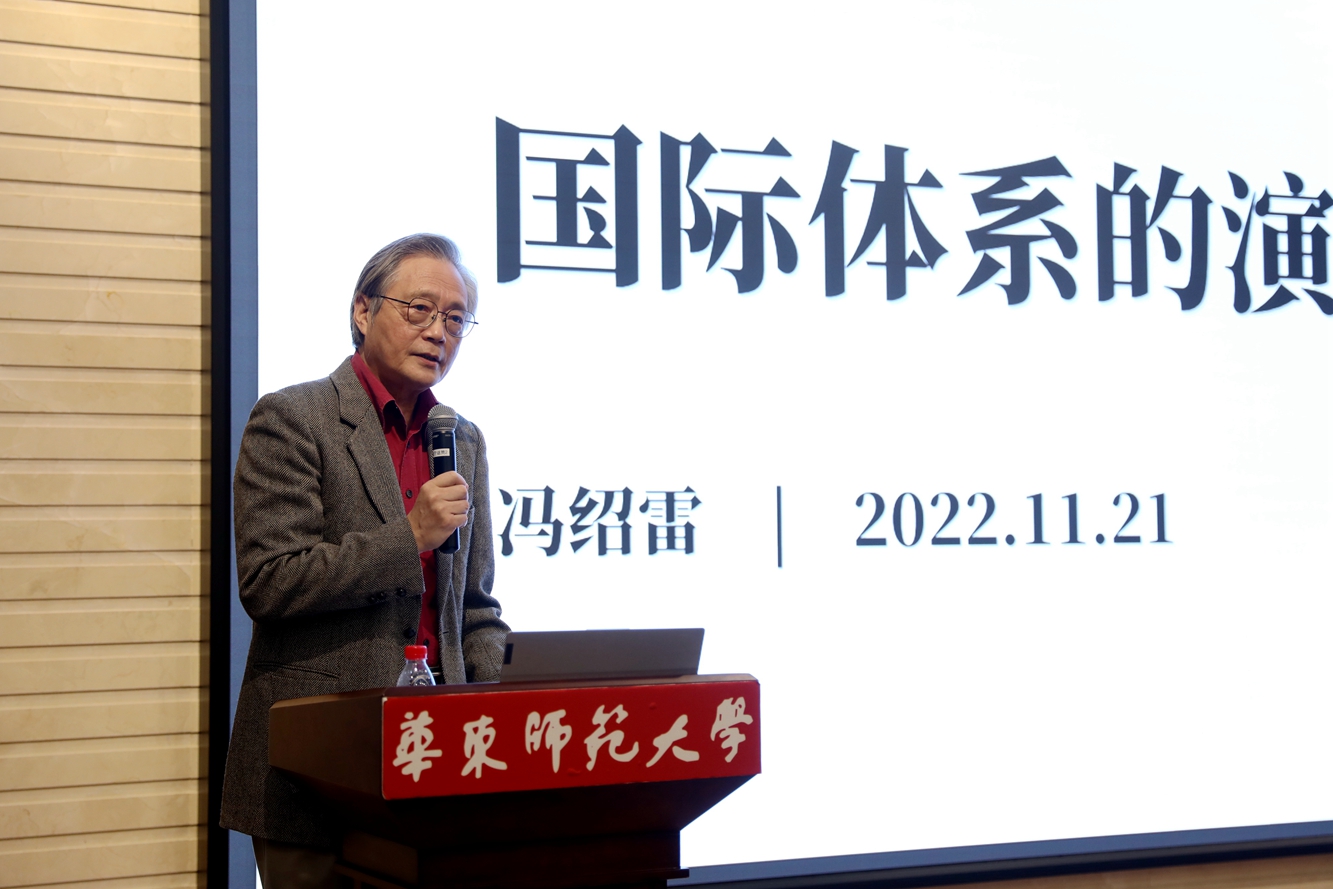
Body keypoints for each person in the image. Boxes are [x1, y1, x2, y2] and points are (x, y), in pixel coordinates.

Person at [219, 234, 508, 888]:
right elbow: (270, 581)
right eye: (419, 309)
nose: (438, 332)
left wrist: (505, 704)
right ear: (362, 310)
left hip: (438, 763)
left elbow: (473, 608)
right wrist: (409, 537)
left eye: (456, 318)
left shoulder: (461, 440)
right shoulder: (292, 418)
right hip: (319, 764)